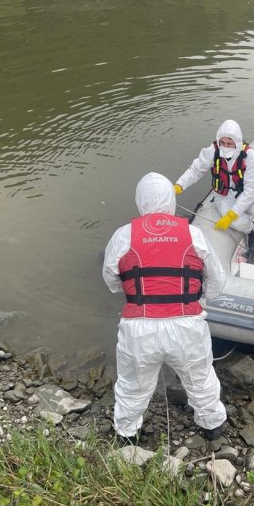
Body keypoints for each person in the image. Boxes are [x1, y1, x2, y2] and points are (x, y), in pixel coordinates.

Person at [102, 172, 228, 443]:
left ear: (140, 200)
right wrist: (197, 298)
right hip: (186, 326)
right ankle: (212, 426)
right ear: (171, 200)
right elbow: (217, 281)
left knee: (133, 386)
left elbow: (111, 280)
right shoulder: (194, 234)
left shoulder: (123, 236)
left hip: (139, 328)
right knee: (200, 379)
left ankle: (127, 433)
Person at [174, 120, 254, 265]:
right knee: (234, 220)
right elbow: (196, 170)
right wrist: (179, 185)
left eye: (229, 143)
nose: (225, 147)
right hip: (224, 196)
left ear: (237, 142)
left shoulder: (250, 157)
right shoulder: (212, 151)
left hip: (248, 194)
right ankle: (251, 230)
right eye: (222, 142)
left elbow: (251, 190)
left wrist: (234, 212)